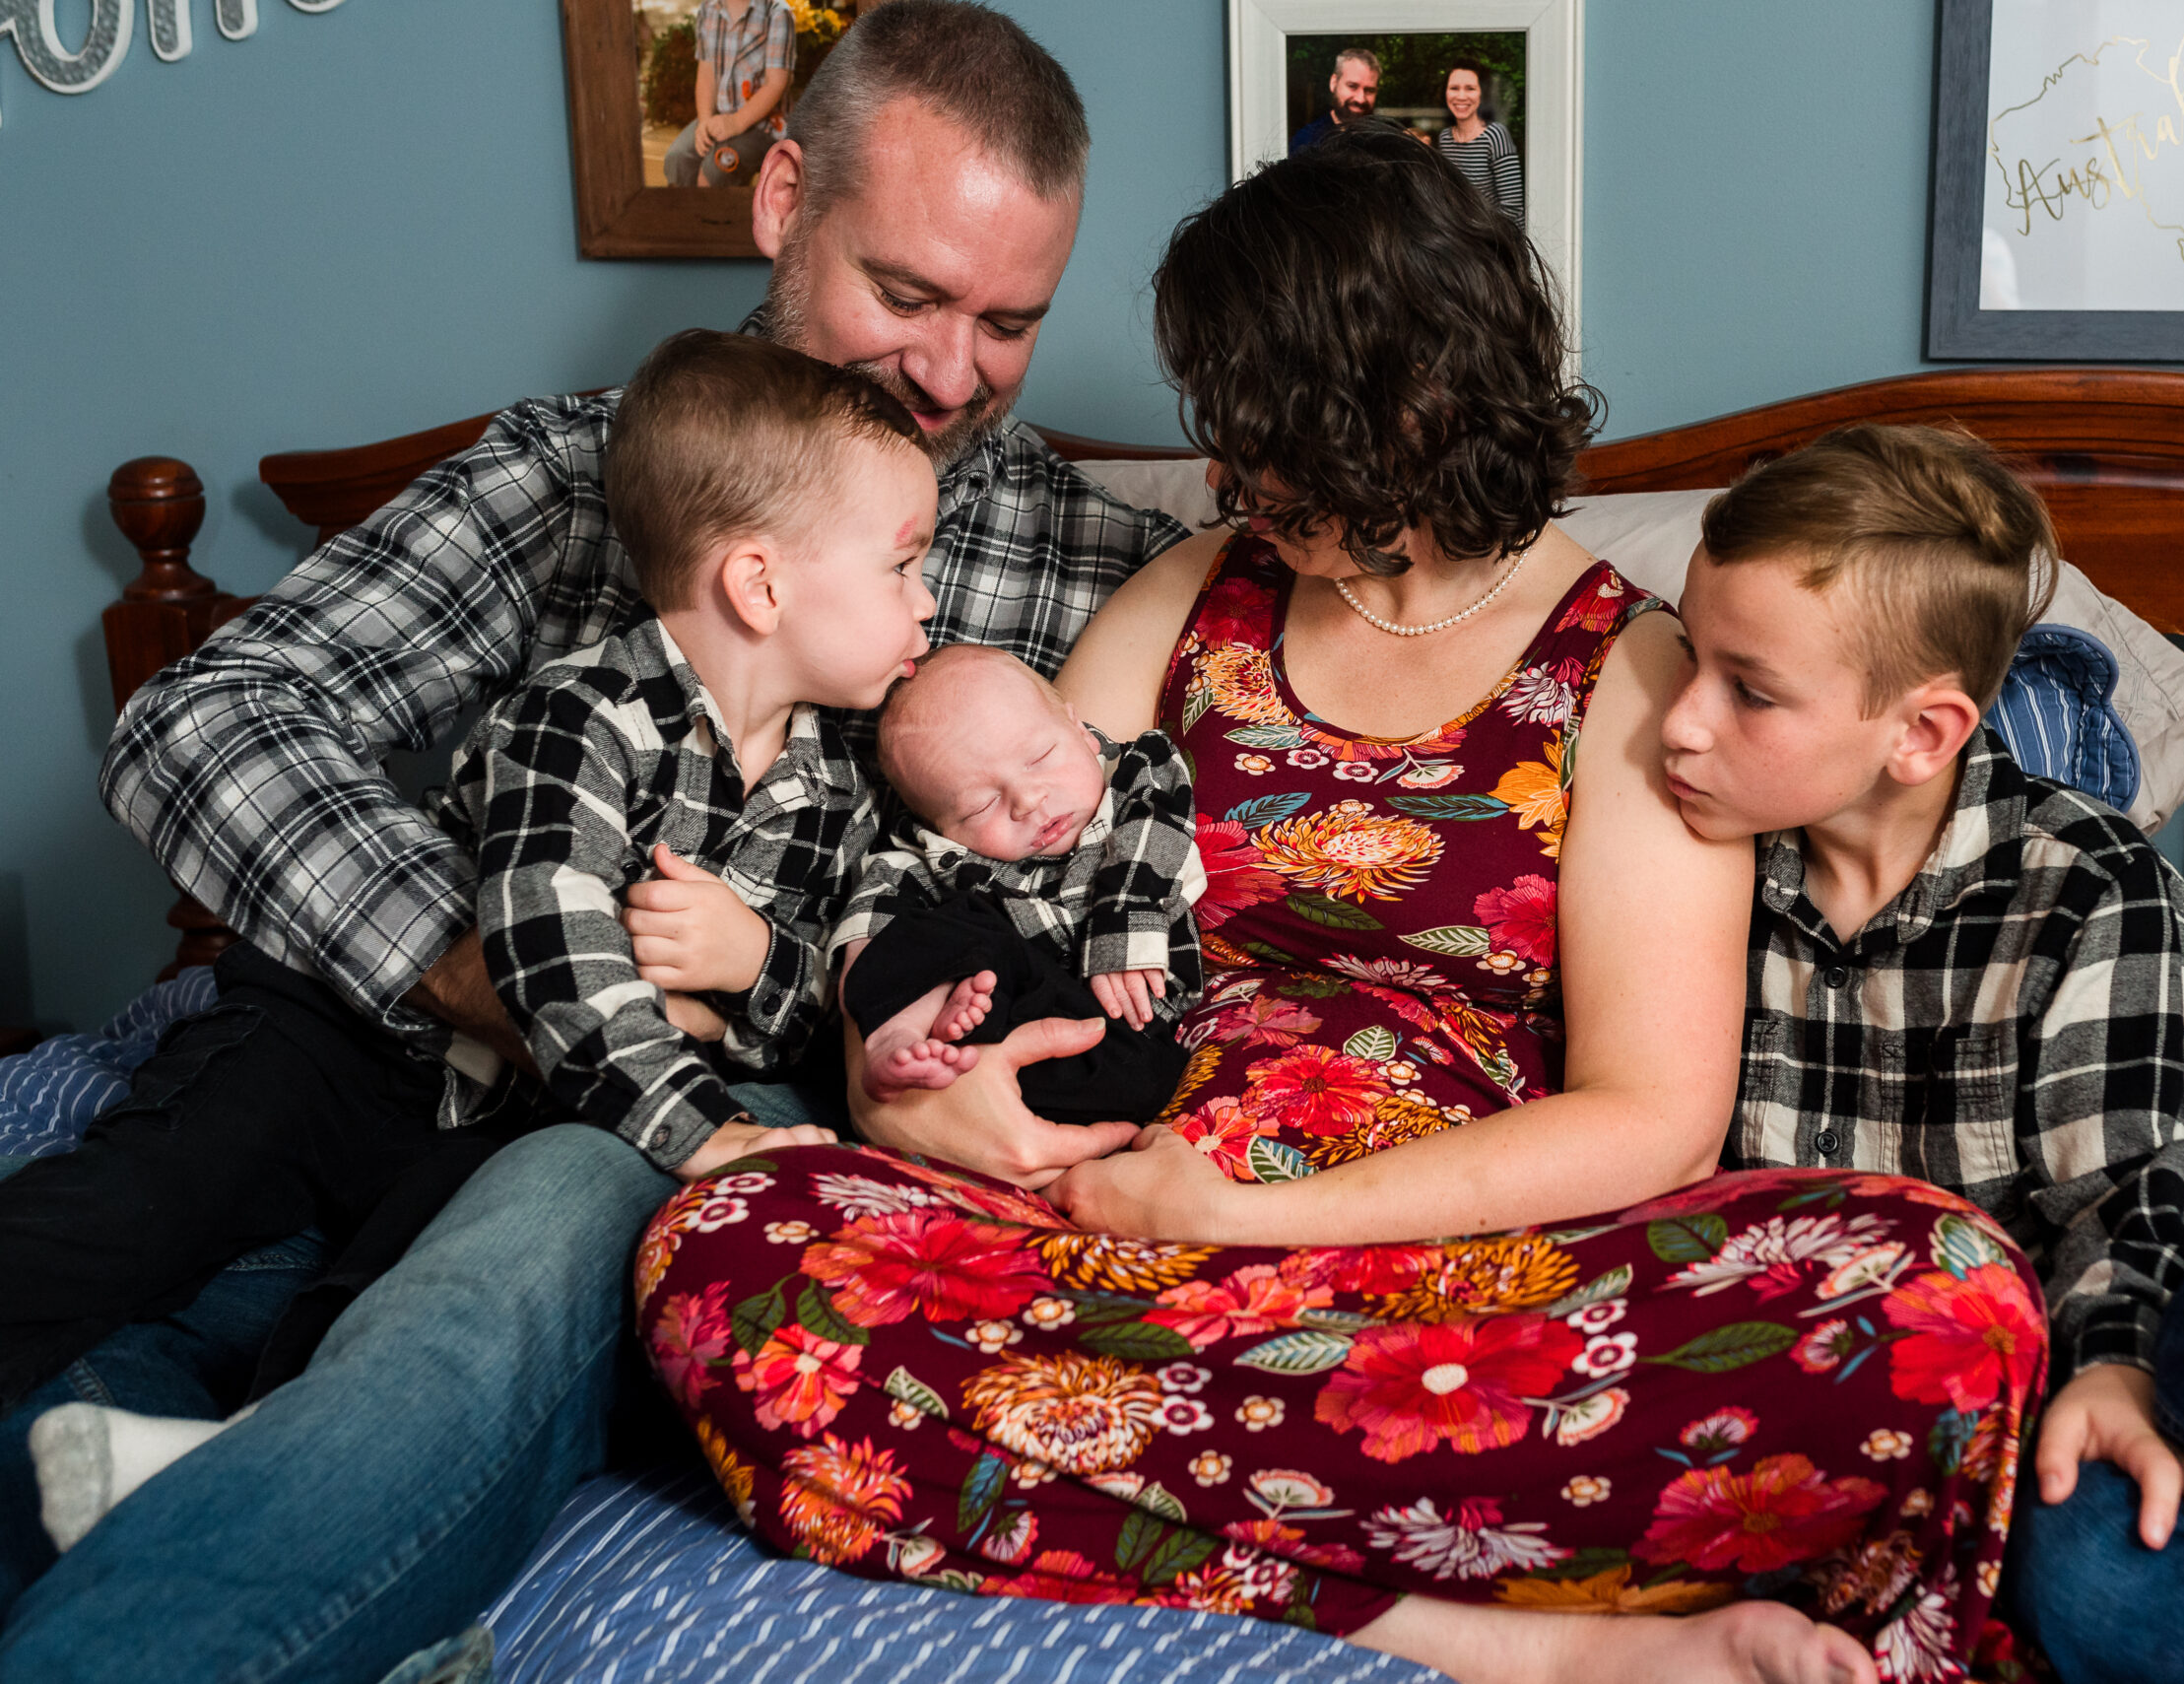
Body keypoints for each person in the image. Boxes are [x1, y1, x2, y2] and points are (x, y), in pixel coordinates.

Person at [645, 127, 2044, 1684]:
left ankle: (1148, 1481)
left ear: (1406, 406)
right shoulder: (1193, 599)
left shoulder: (1634, 669)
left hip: (1450, 1283)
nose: (1235, 475)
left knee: (1945, 1301)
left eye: (1268, 432)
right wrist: (913, 1078)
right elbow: (964, 885)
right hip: (1110, 1226)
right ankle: (1487, 1624)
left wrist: (1253, 1220)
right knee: (724, 1246)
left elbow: (1654, 1120)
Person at [0, 6, 1187, 1680]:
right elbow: (204, 714)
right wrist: (481, 966)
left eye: (1010, 322)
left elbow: (1179, 812)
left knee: (427, 1315)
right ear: (783, 200)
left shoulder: (1096, 564)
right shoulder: (580, 476)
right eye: (908, 293)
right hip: (380, 1031)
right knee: (98, 1270)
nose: (948, 370)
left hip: (653, 1107)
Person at [21, 327, 926, 1546]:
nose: (931, 600)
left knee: (402, 1289)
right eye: (905, 566)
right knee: (150, 1201)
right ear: (761, 586)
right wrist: (709, 1132)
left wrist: (755, 961)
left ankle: (258, 1453)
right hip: (340, 1038)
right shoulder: (581, 714)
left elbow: (825, 985)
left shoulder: (837, 779)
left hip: (511, 1106)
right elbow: (549, 955)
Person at [1654, 423, 2184, 1684]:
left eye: (1747, 687)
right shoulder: (1690, 887)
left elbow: (2133, 1178)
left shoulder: (2086, 877)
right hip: (2040, 1342)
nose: (1677, 722)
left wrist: (2115, 1360)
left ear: (1921, 731)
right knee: (2084, 1573)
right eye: (1687, 656)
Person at [835, 644, 1205, 1124]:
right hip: (1002, 1023)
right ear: (940, 828)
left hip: (1125, 1031)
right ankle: (902, 1038)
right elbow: (870, 928)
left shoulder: (1136, 778)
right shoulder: (936, 860)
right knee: (945, 926)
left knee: (1150, 1077)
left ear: (1080, 730)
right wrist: (885, 1007)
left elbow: (1155, 829)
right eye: (979, 807)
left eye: (1041, 757)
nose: (1028, 800)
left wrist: (1123, 916)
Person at [664, 0, 797, 189]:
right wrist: (704, 121)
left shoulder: (777, 13)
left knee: (714, 172)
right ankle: (686, 216)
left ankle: (716, 217)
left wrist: (736, 122)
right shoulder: (709, 9)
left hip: (765, 125)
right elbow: (706, 72)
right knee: (677, 159)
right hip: (720, 115)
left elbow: (776, 83)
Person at [1432, 63, 1522, 227]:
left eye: (1470, 88)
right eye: (1454, 88)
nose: (1461, 96)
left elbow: (1512, 206)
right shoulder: (1445, 138)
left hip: (1499, 238)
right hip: (1465, 238)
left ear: (1482, 94)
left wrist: (1472, 231)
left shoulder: (1495, 135)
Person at [1289, 46, 1379, 153]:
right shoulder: (1307, 141)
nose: (1361, 99)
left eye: (1369, 90)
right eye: (1352, 86)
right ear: (1334, 83)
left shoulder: (1381, 141)